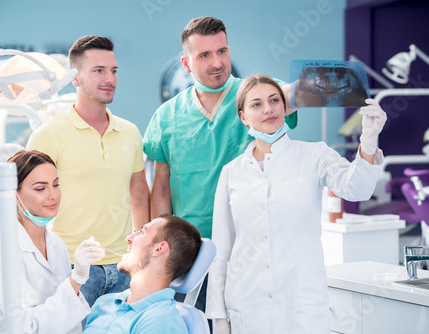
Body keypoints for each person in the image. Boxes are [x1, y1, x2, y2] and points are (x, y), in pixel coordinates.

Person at [205, 74, 387, 333]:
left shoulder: (314, 155)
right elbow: (222, 249)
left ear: (284, 107)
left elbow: (356, 189)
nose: (268, 109)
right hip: (247, 305)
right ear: (243, 117)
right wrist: (219, 318)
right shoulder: (232, 172)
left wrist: (368, 140)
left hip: (301, 306)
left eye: (274, 100)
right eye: (256, 104)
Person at [143, 16, 297, 312]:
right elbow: (160, 189)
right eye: (204, 55)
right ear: (186, 64)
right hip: (193, 253)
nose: (217, 62)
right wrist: (160, 253)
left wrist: (338, 83)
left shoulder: (254, 96)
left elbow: (294, 95)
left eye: (222, 51)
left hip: (253, 245)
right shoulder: (166, 116)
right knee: (195, 323)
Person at [27, 35, 150, 307]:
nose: (110, 78)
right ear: (75, 78)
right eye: (98, 70)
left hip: (122, 267)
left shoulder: (130, 132)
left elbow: (140, 195)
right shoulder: (47, 136)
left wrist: (140, 259)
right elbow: (26, 206)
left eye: (114, 70)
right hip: (70, 266)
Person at [0, 150, 105, 333]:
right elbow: (27, 329)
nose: (53, 195)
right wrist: (76, 280)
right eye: (40, 188)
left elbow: (67, 322)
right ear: (15, 196)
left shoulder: (56, 244)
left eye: (56, 184)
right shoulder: (3, 253)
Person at [83, 214, 202, 333]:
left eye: (141, 232)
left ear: (159, 249)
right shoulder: (105, 303)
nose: (129, 237)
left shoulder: (160, 321)